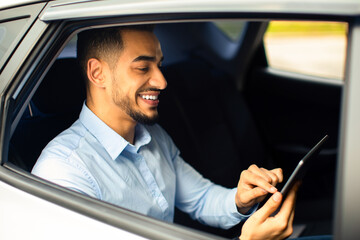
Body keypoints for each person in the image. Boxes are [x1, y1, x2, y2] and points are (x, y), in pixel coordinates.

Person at [32, 25, 298, 239]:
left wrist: (240, 199)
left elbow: (202, 199)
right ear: (97, 73)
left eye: (159, 64)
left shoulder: (154, 136)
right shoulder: (64, 173)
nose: (161, 81)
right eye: (143, 67)